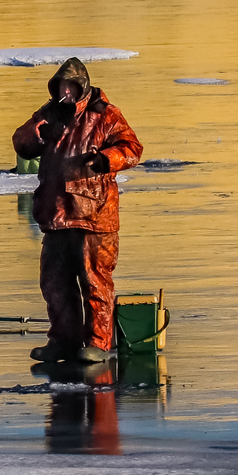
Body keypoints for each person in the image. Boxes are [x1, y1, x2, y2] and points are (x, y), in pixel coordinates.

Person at [11, 57, 142, 365]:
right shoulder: (49, 113)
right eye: (60, 87)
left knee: (95, 281)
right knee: (54, 281)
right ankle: (63, 341)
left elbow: (132, 149)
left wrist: (105, 159)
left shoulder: (106, 115)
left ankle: (98, 342)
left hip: (94, 216)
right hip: (56, 215)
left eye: (70, 87)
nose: (65, 92)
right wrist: (38, 131)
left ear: (82, 88)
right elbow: (22, 144)